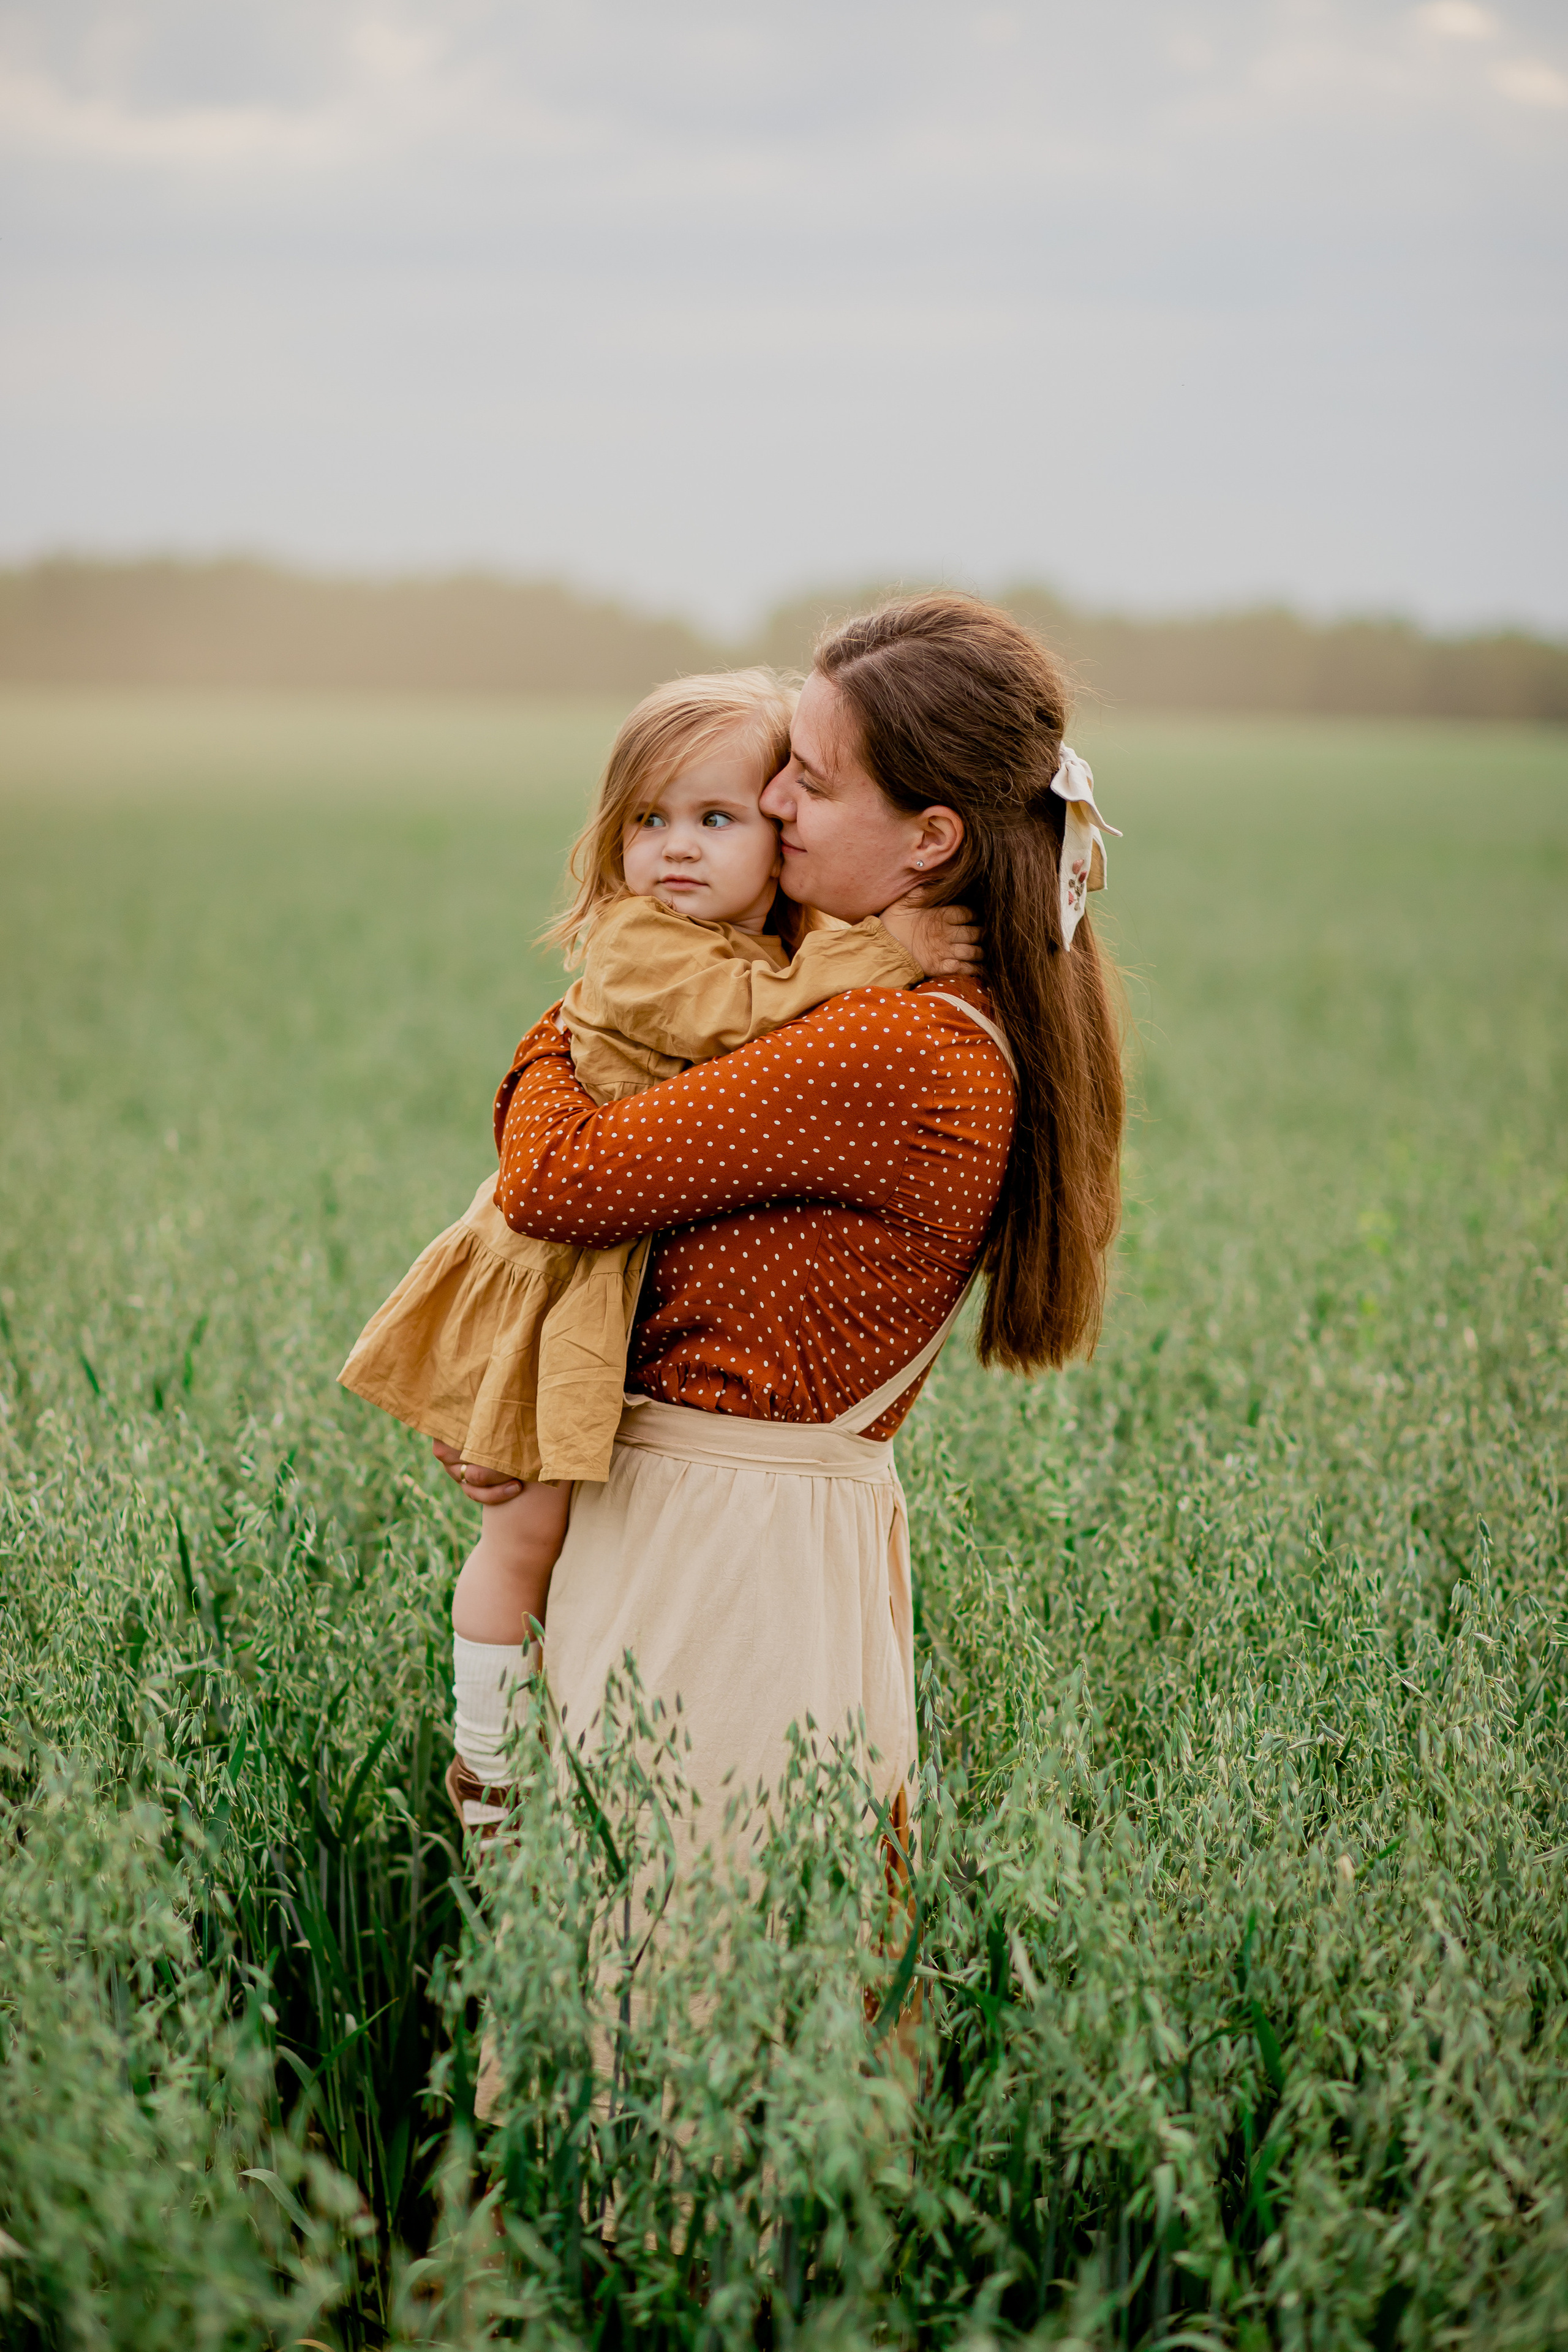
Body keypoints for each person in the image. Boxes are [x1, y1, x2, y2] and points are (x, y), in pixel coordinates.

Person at [443, 592, 1125, 1856]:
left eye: (804, 782)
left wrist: (573, 1018)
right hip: (709, 1521)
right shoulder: (880, 1003)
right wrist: (542, 1413)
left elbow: (557, 1179)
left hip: (720, 1557)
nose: (767, 807)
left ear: (928, 839)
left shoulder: (890, 1041)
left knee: (676, 1979)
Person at [337, 668, 977, 1823]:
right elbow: (560, 1176)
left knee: (530, 1518)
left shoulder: (891, 1033)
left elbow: (595, 1149)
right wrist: (896, 944)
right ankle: (489, 1759)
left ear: (931, 835)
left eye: (726, 815)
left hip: (629, 1311)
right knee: (522, 1522)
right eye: (650, 820)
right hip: (564, 1268)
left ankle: (497, 1765)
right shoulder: (658, 946)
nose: (684, 846)